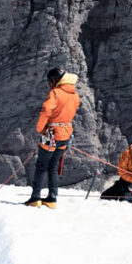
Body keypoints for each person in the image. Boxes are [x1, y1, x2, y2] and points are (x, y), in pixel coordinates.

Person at [24, 67, 81, 208]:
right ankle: (52, 199)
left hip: (51, 133)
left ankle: (35, 198)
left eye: (51, 82)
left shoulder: (55, 93)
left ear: (56, 80)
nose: (50, 84)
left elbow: (46, 110)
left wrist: (40, 128)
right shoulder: (75, 95)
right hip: (66, 133)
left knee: (42, 165)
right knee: (54, 166)